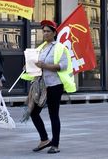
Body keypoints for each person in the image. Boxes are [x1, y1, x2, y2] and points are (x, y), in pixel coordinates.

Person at [21, 20, 76, 154]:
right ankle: (44, 139)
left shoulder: (60, 48)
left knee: (53, 115)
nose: (45, 33)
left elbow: (62, 66)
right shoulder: (41, 48)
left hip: (54, 85)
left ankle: (55, 144)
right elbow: (35, 64)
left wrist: (45, 66)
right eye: (43, 31)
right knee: (33, 113)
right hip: (40, 86)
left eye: (47, 31)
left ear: (54, 33)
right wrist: (28, 67)